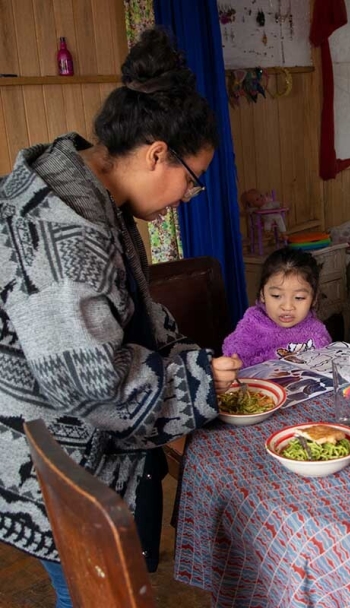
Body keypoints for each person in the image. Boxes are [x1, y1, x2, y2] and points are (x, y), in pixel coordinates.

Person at [0, 28, 242, 607]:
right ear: (157, 151)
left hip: (57, 436)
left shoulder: (82, 181)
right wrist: (203, 382)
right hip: (48, 455)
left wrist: (193, 355)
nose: (188, 195)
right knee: (92, 594)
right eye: (191, 179)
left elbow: (127, 309)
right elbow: (100, 389)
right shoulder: (67, 230)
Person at [223, 247, 332, 367]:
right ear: (262, 295)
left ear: (314, 299)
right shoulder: (251, 328)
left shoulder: (316, 331)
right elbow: (232, 368)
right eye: (276, 296)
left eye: (299, 297)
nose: (287, 306)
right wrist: (232, 367)